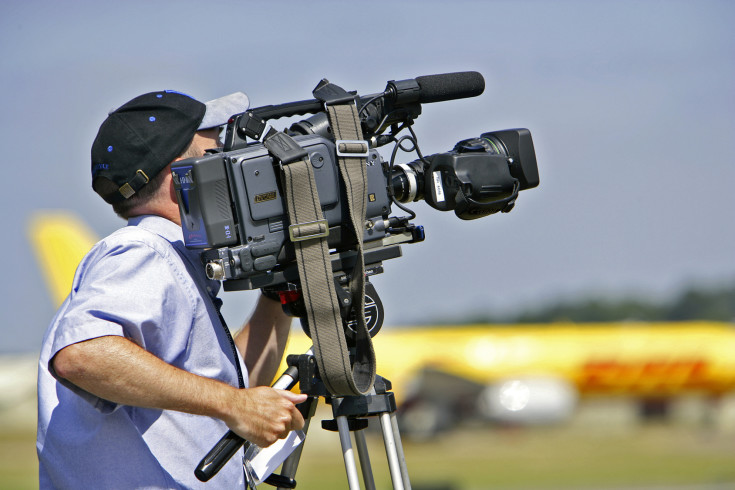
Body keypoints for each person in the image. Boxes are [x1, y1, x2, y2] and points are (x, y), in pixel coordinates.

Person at [36, 90, 307, 489]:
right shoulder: (145, 252)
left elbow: (229, 387)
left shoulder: (173, 257)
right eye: (215, 147)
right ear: (187, 173)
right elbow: (82, 355)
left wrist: (279, 294)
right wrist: (234, 406)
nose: (234, 159)